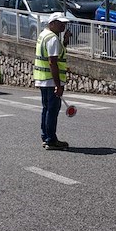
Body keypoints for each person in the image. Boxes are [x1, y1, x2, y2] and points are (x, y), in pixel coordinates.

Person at [33, 12, 72, 150]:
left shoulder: (44, 35)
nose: (63, 25)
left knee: (46, 109)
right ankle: (51, 140)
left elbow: (57, 56)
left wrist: (65, 42)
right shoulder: (53, 39)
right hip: (51, 80)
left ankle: (46, 136)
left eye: (65, 23)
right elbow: (53, 62)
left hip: (43, 79)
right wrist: (58, 86)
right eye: (60, 23)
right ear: (52, 23)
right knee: (53, 110)